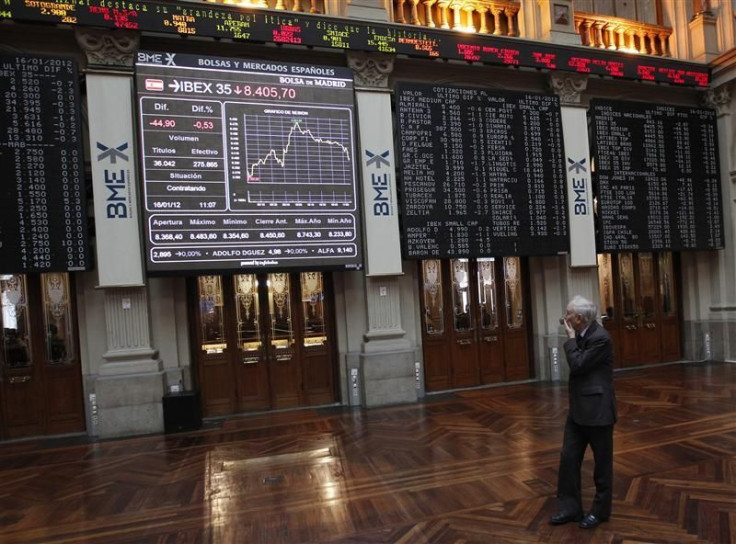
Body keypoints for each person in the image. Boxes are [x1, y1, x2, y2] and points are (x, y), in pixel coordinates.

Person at [550, 295, 617, 530]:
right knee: (568, 459)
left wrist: (569, 339)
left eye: (568, 314)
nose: (564, 318)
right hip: (578, 413)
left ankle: (599, 511)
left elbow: (578, 364)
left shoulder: (600, 338)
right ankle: (570, 508)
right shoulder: (582, 334)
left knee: (602, 465)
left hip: (598, 412)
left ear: (578, 318)